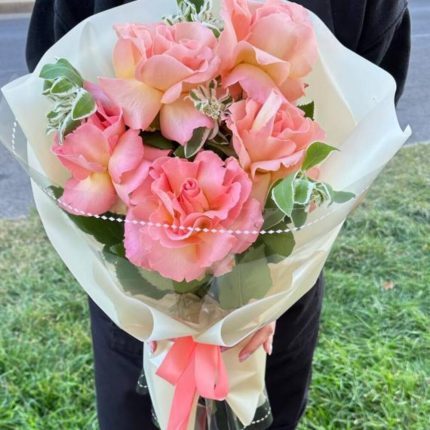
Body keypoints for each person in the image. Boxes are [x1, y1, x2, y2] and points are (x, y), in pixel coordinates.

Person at [25, 1, 411, 429]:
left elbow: (365, 110)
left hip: (276, 301)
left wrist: (259, 293)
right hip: (137, 305)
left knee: (267, 412)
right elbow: (54, 85)